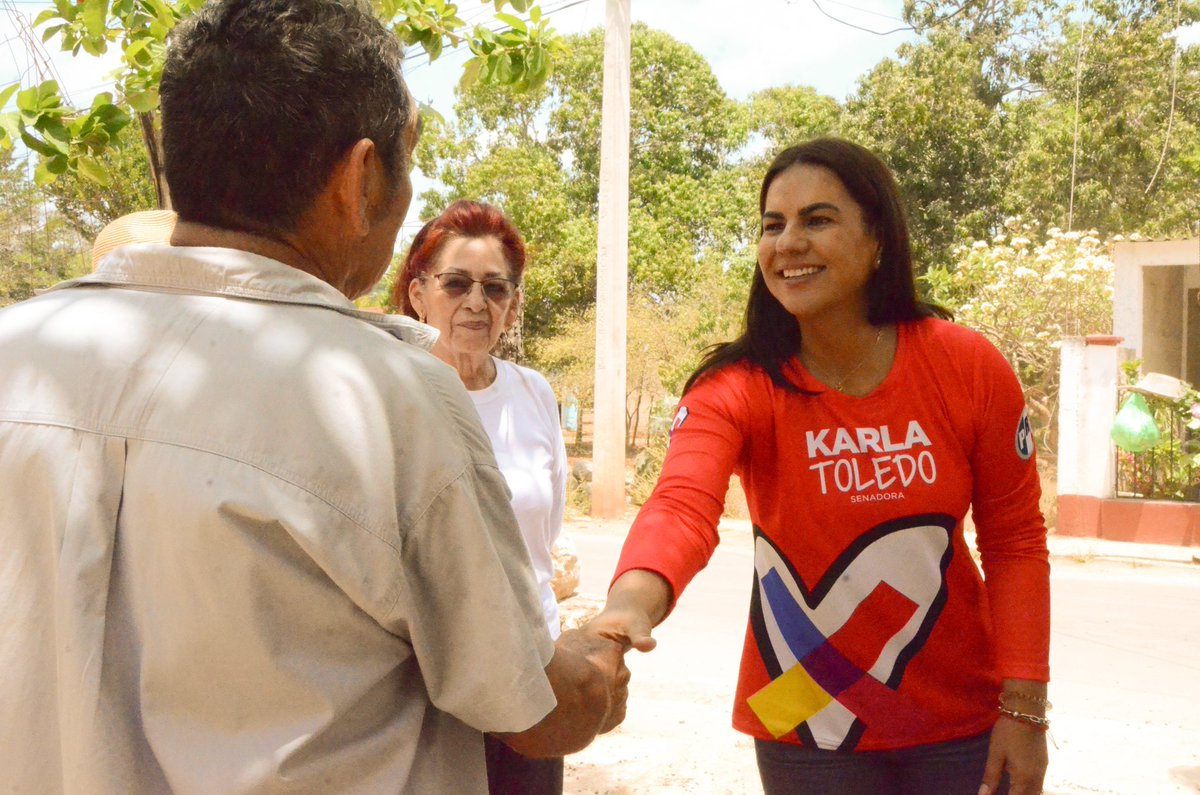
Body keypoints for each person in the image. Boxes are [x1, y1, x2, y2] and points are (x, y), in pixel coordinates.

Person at [0, 2, 627, 793]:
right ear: (362, 178)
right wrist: (596, 668)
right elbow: (532, 709)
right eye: (408, 160)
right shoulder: (387, 396)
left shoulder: (18, 350)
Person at [589, 138, 1051, 795]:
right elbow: (682, 505)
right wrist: (628, 605)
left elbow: (1016, 541)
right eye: (772, 225)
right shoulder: (737, 386)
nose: (789, 242)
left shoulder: (967, 364)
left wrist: (1025, 704)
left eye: (818, 219)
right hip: (807, 721)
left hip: (966, 723)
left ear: (879, 241)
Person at [394, 199, 570, 795]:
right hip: (426, 681)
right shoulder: (393, 393)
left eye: (495, 288)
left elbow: (542, 541)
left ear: (513, 305)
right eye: (456, 283)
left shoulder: (533, 393)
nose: (476, 302)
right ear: (418, 293)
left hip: (529, 672)